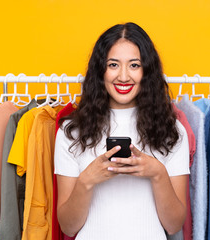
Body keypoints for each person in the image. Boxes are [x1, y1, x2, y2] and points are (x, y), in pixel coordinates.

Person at [54, 22, 190, 240]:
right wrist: (87, 180)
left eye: (134, 65)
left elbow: (174, 225)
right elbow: (68, 227)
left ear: (147, 71)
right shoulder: (72, 132)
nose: (124, 76)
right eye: (113, 65)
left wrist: (158, 174)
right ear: (100, 70)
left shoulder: (172, 131)